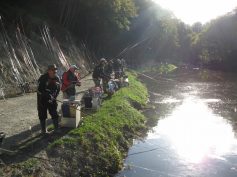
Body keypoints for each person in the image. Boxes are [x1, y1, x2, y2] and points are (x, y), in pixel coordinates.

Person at [37, 64, 61, 134]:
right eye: (53, 70)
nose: (55, 71)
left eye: (55, 69)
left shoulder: (57, 78)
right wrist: (46, 94)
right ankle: (43, 131)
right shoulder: (42, 78)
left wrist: (54, 96)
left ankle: (56, 129)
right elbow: (38, 90)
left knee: (54, 113)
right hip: (42, 99)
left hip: (52, 99)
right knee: (42, 115)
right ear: (49, 71)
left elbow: (58, 89)